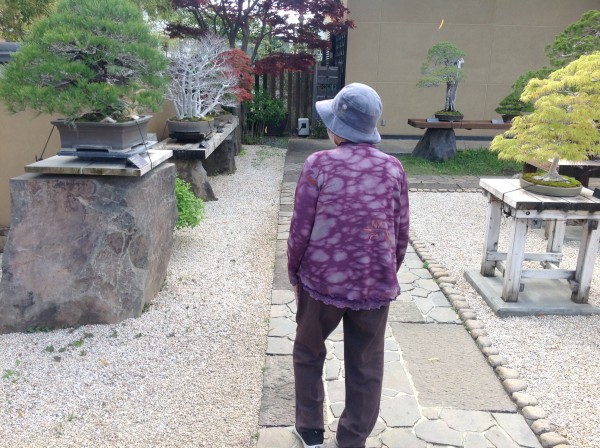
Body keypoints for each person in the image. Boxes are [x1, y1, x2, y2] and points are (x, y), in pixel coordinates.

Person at [288, 83, 410, 448]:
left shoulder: (318, 165)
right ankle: (353, 438)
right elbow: (400, 231)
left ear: (337, 128)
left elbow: (300, 229)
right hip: (374, 282)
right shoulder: (393, 169)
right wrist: (386, 271)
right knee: (366, 364)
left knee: (308, 351)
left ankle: (311, 430)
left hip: (321, 281)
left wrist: (294, 272)